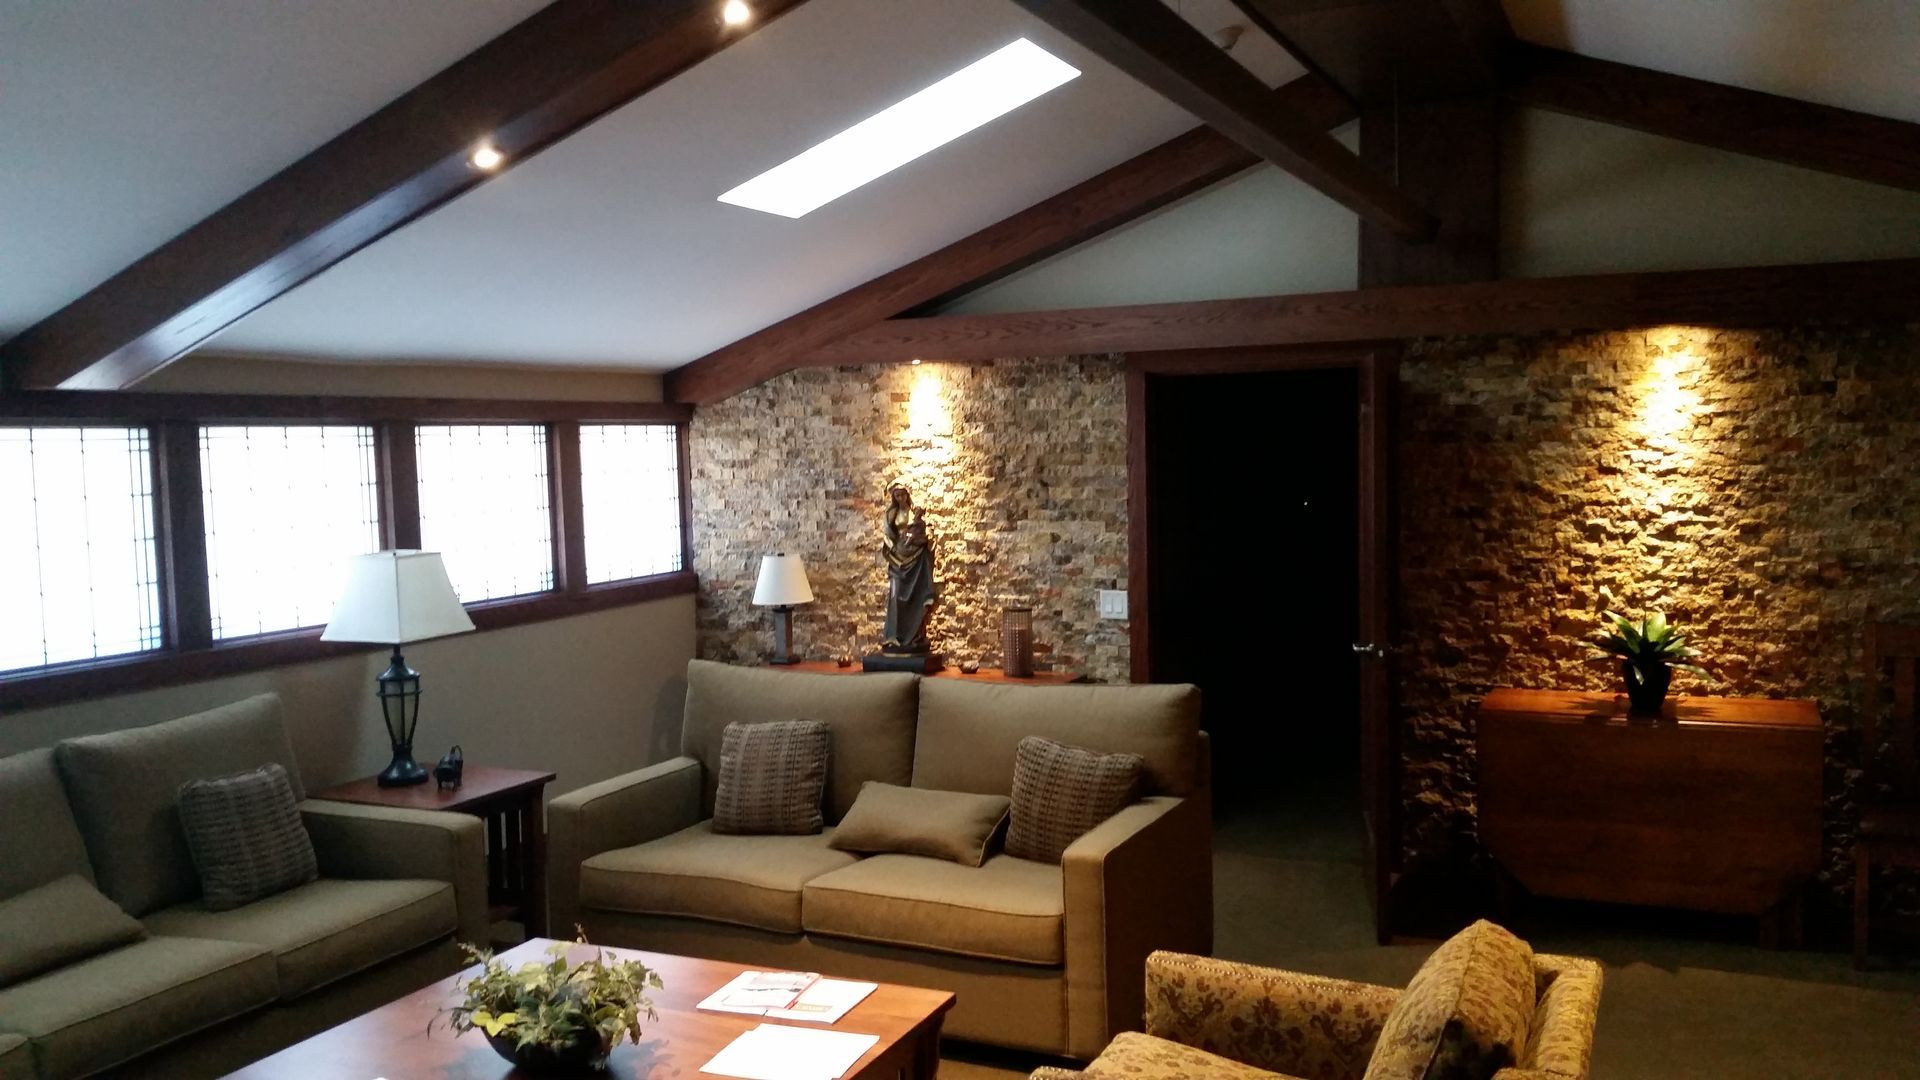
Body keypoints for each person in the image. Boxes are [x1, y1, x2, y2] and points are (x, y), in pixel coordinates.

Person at [880, 482, 936, 653]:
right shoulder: (892, 514)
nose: (901, 498)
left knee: (917, 598)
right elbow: (889, 536)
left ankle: (915, 636)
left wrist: (919, 540)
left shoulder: (915, 514)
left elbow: (924, 534)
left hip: (916, 559)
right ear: (894, 498)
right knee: (895, 597)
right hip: (897, 560)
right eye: (897, 496)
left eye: (903, 495)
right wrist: (894, 548)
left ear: (907, 495)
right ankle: (894, 638)